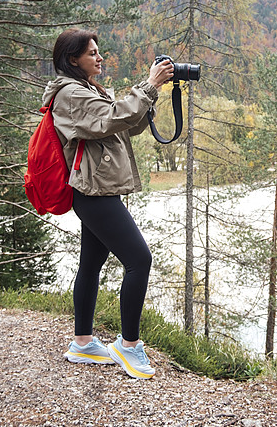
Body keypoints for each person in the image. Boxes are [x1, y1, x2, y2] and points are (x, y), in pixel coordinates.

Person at [44, 28, 174, 379]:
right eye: (92, 53)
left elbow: (122, 125)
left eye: (98, 51)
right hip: (94, 193)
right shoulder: (72, 93)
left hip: (97, 189)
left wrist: (150, 96)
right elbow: (111, 118)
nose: (99, 57)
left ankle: (83, 343)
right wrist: (149, 85)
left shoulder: (88, 89)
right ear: (73, 59)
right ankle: (128, 345)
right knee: (139, 260)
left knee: (91, 264)